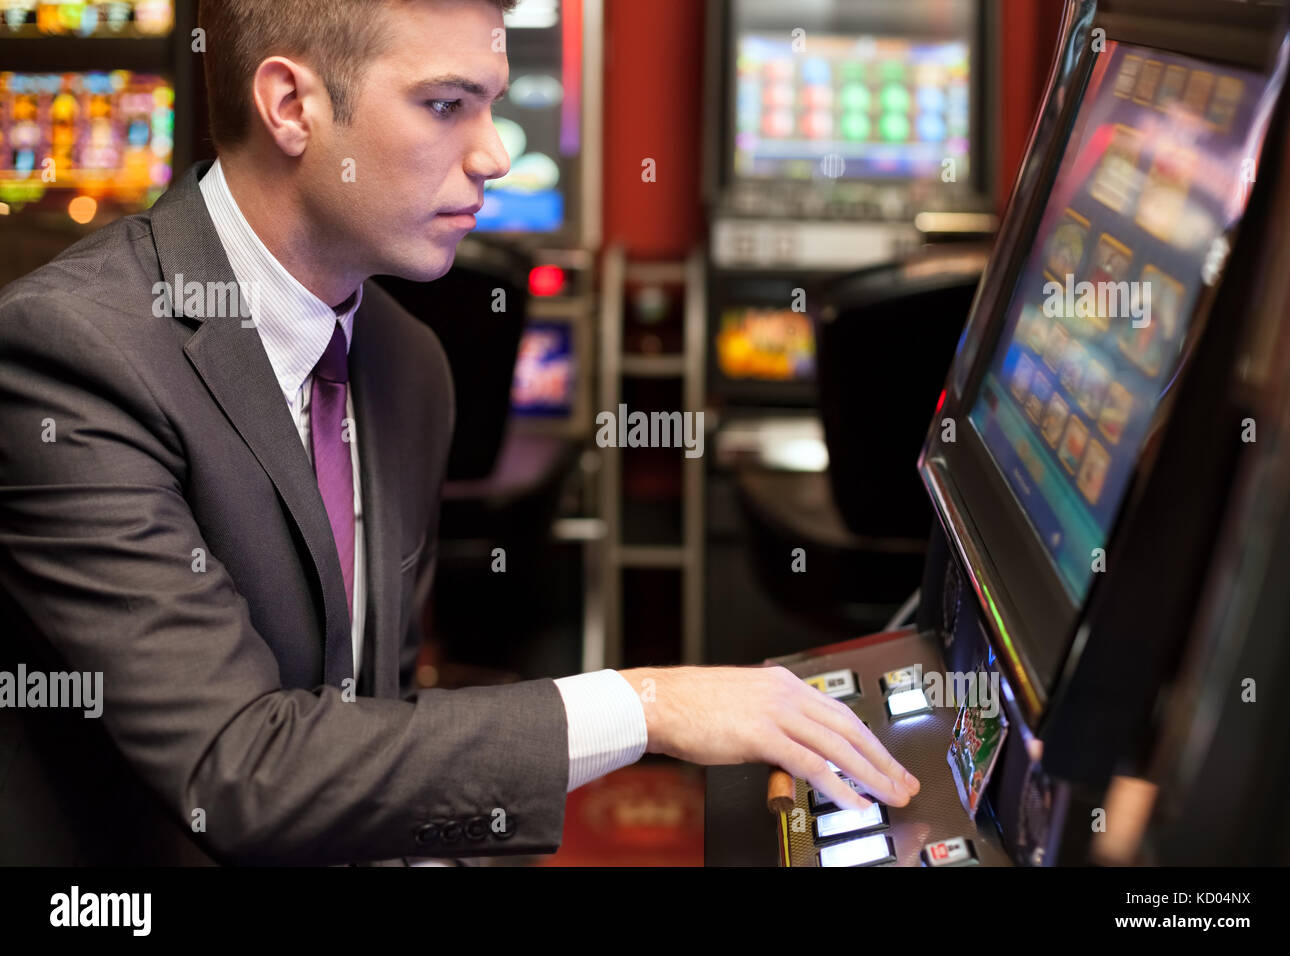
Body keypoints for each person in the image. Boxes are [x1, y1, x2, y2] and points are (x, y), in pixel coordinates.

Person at [0, 0, 918, 866]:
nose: (493, 156)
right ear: (291, 106)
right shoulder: (78, 353)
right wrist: (650, 702)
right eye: (445, 105)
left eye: (492, 105)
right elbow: (239, 771)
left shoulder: (407, 361)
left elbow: (371, 727)